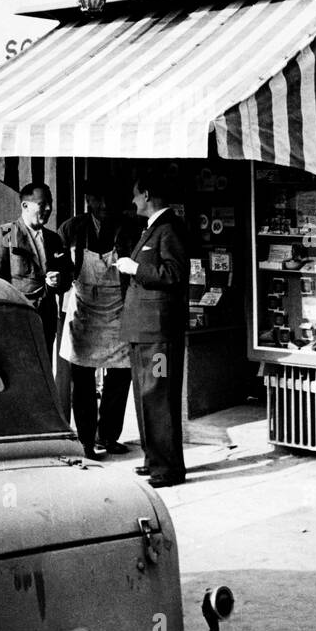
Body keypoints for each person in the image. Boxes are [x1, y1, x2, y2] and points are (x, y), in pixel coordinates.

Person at [116, 173, 189, 489]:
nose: (133, 202)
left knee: (158, 397)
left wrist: (136, 269)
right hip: (144, 331)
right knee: (146, 396)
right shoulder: (154, 230)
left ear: (147, 195)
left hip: (159, 333)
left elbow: (174, 273)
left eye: (135, 195)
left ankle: (167, 468)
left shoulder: (169, 230)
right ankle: (153, 458)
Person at [58, 182, 134, 461]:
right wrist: (58, 278)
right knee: (83, 379)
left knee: (120, 375)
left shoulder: (128, 227)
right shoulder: (72, 229)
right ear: (88, 199)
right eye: (98, 200)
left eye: (109, 201)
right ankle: (86, 441)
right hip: (84, 310)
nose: (104, 207)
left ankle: (109, 435)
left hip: (119, 308)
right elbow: (62, 269)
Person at [0, 183, 71, 360]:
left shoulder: (54, 239)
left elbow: (67, 277)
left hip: (46, 320)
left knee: (42, 369)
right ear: (25, 205)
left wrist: (59, 281)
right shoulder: (8, 233)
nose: (48, 208)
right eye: (42, 204)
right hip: (17, 319)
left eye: (50, 203)